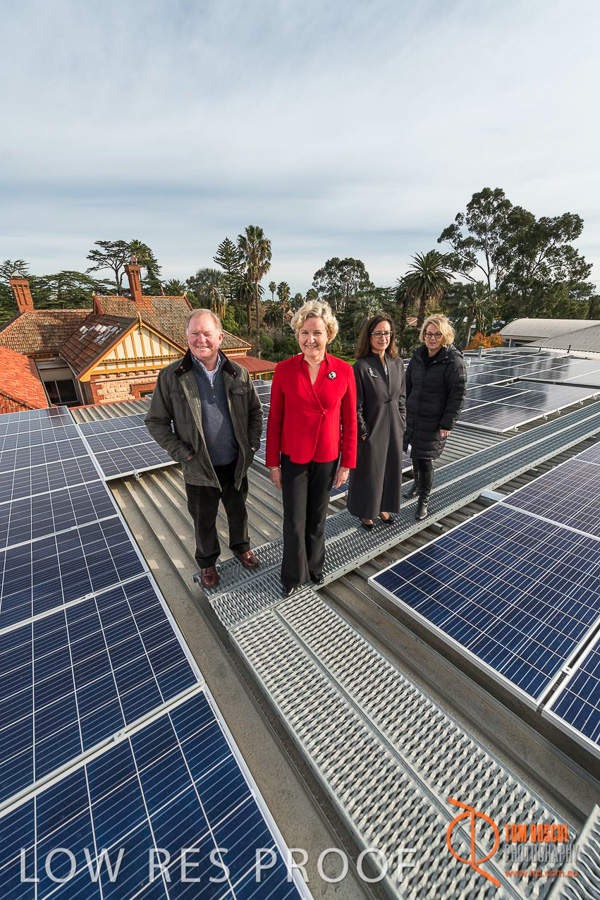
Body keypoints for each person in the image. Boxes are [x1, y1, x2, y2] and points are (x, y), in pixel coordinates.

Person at [146, 309, 263, 589]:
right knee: (203, 520)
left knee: (238, 511)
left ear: (220, 337)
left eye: (207, 333)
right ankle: (208, 563)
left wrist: (251, 445)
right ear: (186, 337)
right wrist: (182, 453)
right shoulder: (171, 376)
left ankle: (242, 547)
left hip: (235, 463)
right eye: (195, 333)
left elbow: (255, 413)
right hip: (199, 466)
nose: (201, 340)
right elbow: (156, 421)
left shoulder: (238, 373)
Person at [266, 300, 357, 597]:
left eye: (317, 332)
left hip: (327, 457)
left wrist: (347, 463)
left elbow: (350, 421)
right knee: (294, 521)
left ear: (329, 334)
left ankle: (315, 566)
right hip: (294, 457)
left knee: (317, 519)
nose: (310, 339)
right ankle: (293, 575)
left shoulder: (344, 371)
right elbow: (275, 420)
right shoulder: (284, 370)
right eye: (304, 332)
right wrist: (273, 463)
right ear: (298, 335)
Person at [403, 313, 467, 521]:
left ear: (445, 335)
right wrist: (403, 410)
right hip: (414, 416)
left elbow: (457, 395)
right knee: (415, 453)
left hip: (434, 420)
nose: (432, 338)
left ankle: (424, 499)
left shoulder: (453, 361)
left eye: (437, 334)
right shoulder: (418, 356)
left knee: (425, 459)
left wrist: (448, 422)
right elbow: (407, 385)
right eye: (428, 334)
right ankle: (415, 484)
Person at [347, 315, 406, 529]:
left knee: (389, 471)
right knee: (370, 474)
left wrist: (402, 422)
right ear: (369, 336)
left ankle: (383, 507)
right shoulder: (361, 367)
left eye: (387, 333)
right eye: (378, 333)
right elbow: (355, 406)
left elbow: (401, 397)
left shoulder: (397, 363)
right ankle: (366, 512)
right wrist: (364, 432)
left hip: (394, 429)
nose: (383, 338)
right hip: (372, 430)